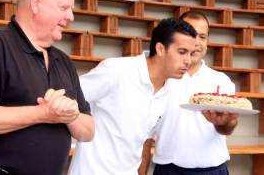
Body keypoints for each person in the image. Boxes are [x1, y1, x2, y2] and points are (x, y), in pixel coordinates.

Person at [0, 0, 94, 175]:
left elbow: (88, 131)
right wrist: (42, 114)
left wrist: (70, 114)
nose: (71, 16)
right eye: (64, 7)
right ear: (36, 3)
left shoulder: (64, 62)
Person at [68, 17, 197, 175]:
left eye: (191, 54)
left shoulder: (174, 86)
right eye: (182, 52)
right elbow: (67, 96)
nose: (188, 61)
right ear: (161, 49)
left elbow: (144, 140)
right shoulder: (116, 70)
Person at [139, 11, 238, 175]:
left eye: (202, 36)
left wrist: (226, 122)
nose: (196, 42)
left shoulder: (222, 81)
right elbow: (146, 137)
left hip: (214, 171)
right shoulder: (160, 78)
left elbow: (227, 129)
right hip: (168, 171)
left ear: (208, 41)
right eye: (190, 34)